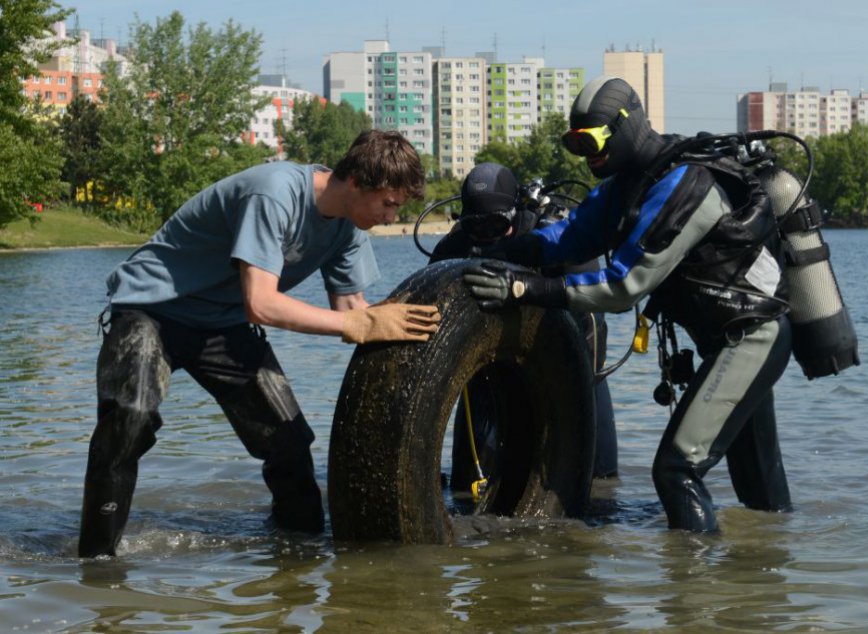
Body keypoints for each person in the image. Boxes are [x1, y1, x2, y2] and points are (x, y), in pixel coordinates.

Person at [79, 129, 442, 557]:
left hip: (222, 325)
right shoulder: (274, 195)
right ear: (358, 181)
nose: (392, 217)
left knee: (288, 441)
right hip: (152, 309)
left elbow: (354, 307)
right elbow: (262, 304)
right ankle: (97, 564)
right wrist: (359, 325)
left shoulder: (348, 228)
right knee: (129, 420)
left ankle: (299, 554)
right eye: (389, 204)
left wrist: (414, 331)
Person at [464, 77, 793, 532]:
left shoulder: (685, 185)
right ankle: (771, 580)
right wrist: (499, 255)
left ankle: (695, 599)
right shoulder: (624, 188)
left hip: (753, 338)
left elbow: (624, 286)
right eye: (574, 144)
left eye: (592, 140)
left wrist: (526, 290)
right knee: (763, 496)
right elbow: (565, 238)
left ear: (624, 126)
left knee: (676, 471)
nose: (585, 155)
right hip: (727, 343)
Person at [430, 162, 617, 483]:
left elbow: (592, 326)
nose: (487, 237)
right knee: (466, 485)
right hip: (487, 372)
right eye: (477, 226)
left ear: (516, 214)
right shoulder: (455, 247)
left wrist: (572, 391)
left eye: (496, 225)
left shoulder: (558, 240)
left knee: (597, 488)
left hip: (570, 368)